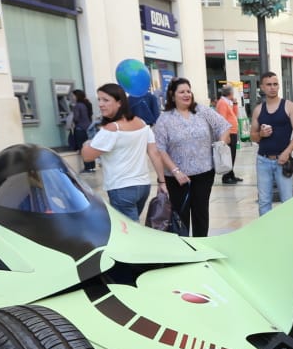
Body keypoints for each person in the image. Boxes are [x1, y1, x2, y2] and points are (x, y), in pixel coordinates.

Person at [153, 77, 231, 236]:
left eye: (188, 91)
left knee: (201, 214)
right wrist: (175, 171)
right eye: (181, 92)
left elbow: (224, 126)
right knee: (180, 217)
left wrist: (221, 144)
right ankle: (185, 250)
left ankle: (201, 248)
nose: (186, 94)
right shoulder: (165, 119)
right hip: (178, 178)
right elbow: (160, 149)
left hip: (204, 173)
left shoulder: (202, 111)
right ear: (172, 95)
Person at [81, 83, 168, 221]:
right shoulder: (142, 123)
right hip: (143, 186)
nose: (101, 104)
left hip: (121, 188)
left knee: (129, 232)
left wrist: (87, 143)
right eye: (99, 100)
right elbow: (154, 154)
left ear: (119, 102)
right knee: (132, 228)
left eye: (106, 100)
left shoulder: (111, 129)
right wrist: (162, 182)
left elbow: (87, 156)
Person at [250, 72, 293, 216]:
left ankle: (288, 231)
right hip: (263, 161)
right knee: (264, 201)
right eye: (269, 84)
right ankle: (266, 234)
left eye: (275, 84)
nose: (273, 88)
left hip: (283, 161)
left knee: (287, 201)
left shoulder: (288, 106)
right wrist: (261, 134)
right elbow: (252, 137)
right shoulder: (258, 110)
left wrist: (286, 152)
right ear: (262, 87)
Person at [214, 86, 242, 184]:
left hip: (233, 131)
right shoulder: (222, 103)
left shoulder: (227, 102)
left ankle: (231, 175)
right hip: (229, 133)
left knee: (232, 155)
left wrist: (235, 104)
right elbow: (222, 120)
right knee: (229, 155)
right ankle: (226, 177)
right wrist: (226, 135)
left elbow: (234, 115)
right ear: (230, 93)